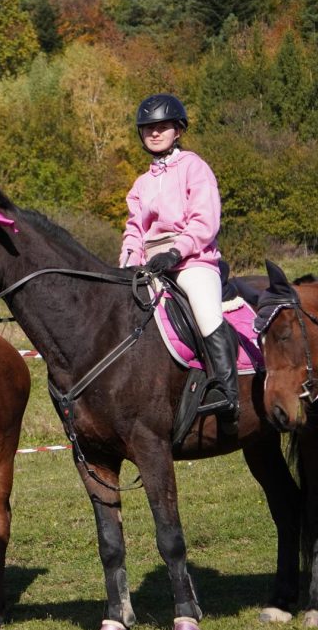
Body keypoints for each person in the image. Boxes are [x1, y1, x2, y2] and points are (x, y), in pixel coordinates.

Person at [119, 94, 239, 429]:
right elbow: (133, 231)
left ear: (178, 130)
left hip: (192, 260)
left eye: (162, 127)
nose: (154, 134)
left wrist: (177, 251)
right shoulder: (141, 184)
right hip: (150, 266)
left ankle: (226, 390)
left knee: (204, 310)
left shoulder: (194, 167)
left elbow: (205, 219)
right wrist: (127, 264)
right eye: (148, 129)